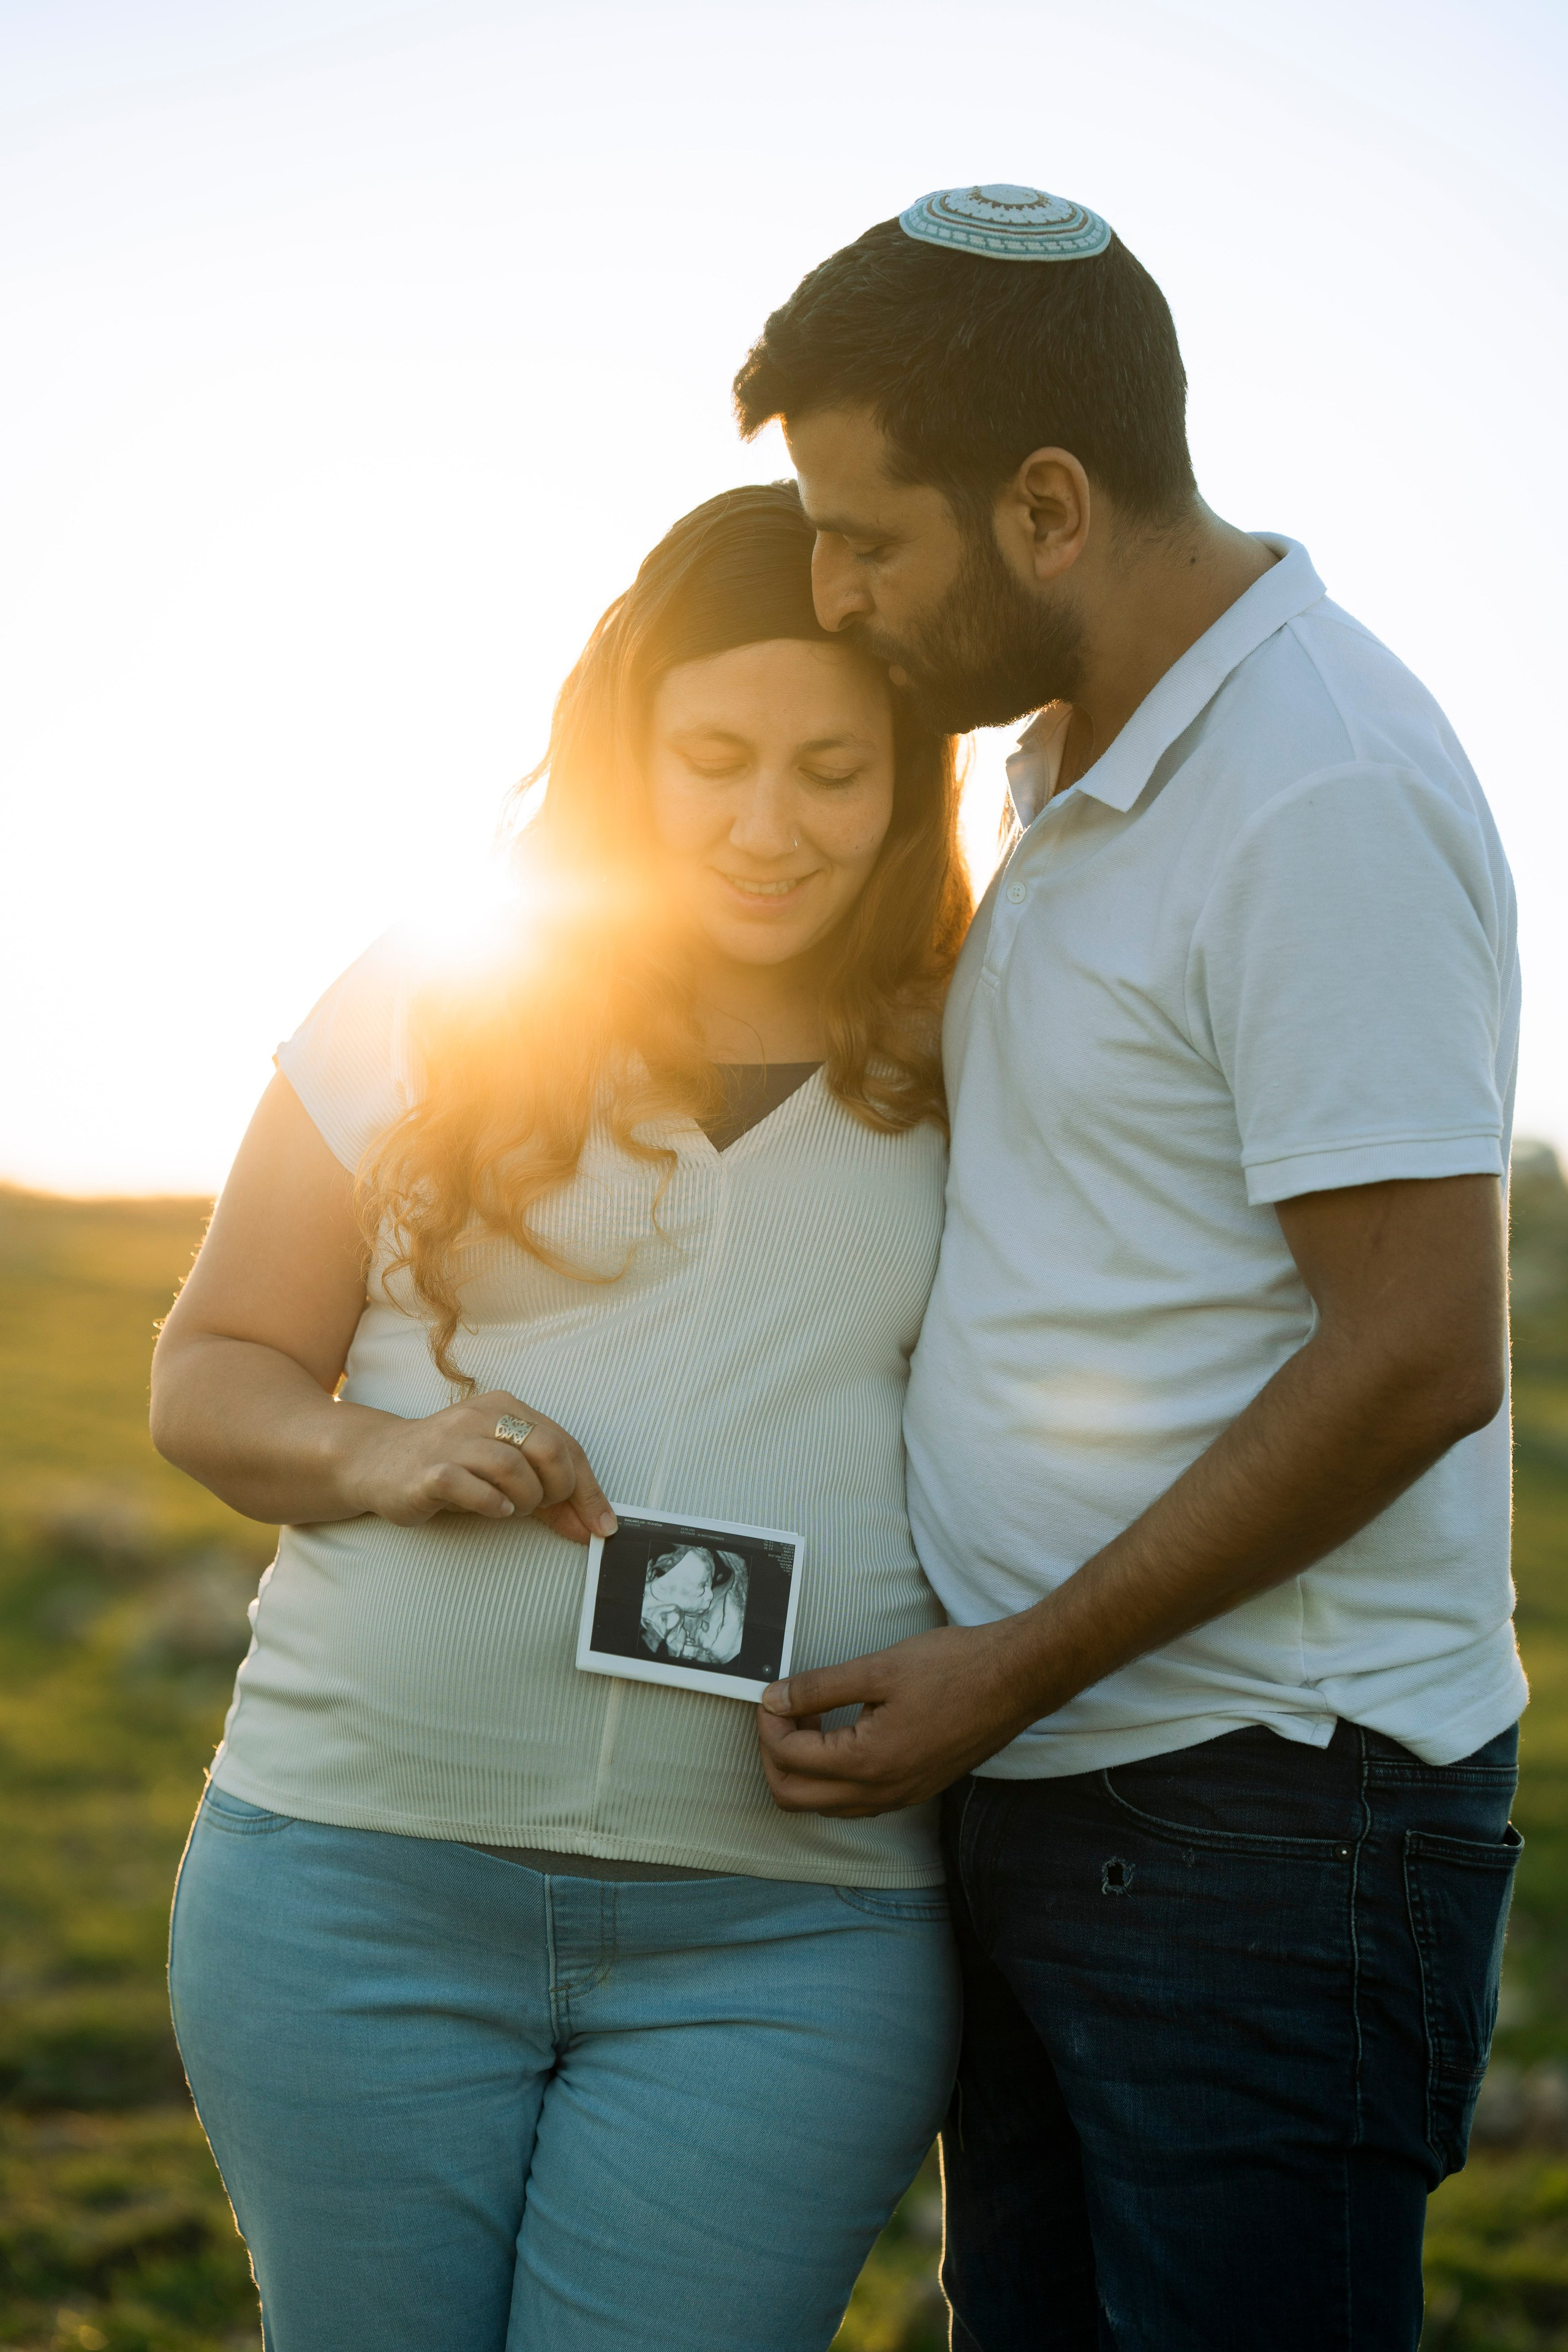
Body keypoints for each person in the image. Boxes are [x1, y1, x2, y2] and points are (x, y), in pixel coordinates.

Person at [738, 184, 1523, 2349]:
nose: (834, 591)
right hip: (1069, 1777)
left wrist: (1020, 1660)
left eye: (867, 536)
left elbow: (1418, 1355)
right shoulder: (1061, 756)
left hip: (1268, 1815)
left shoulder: (1317, 789)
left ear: (1052, 505)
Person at [150, 483, 970, 2352]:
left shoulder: (978, 1046)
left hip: (791, 1938)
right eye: (715, 757)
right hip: (356, 1893)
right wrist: (378, 1453)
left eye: (835, 770)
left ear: (914, 781)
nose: (770, 826)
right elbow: (209, 1374)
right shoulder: (438, 993)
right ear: (630, 749)